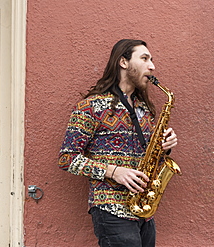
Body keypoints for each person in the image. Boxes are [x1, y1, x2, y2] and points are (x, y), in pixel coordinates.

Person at [58, 39, 178, 247]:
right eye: (144, 59)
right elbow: (67, 158)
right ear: (123, 62)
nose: (152, 66)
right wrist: (114, 172)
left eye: (151, 60)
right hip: (111, 209)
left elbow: (149, 159)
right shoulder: (90, 107)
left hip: (143, 210)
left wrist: (164, 148)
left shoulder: (145, 110)